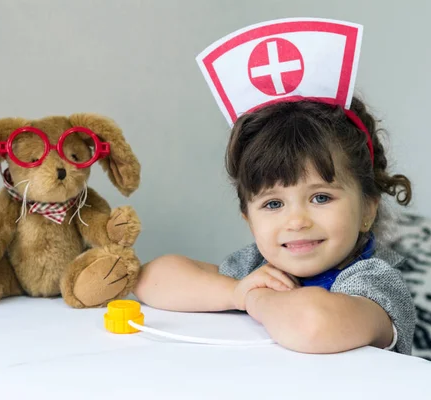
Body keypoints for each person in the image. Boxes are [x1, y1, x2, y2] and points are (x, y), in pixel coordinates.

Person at [133, 97, 416, 355]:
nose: (296, 222)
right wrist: (235, 292)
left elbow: (313, 324)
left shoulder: (373, 281)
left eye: (321, 197)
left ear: (367, 208)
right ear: (249, 220)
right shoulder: (253, 267)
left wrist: (256, 299)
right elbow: (150, 279)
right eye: (273, 204)